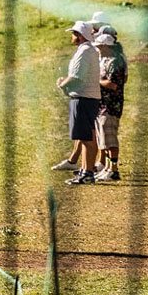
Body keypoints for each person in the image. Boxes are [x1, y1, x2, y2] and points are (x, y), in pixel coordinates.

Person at [56, 20, 103, 184]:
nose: (72, 36)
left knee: (86, 138)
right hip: (87, 97)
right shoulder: (88, 50)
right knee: (85, 137)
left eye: (74, 33)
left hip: (84, 98)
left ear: (79, 35)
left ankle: (88, 173)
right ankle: (84, 170)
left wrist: (63, 83)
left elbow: (77, 76)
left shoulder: (84, 51)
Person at [95, 31, 128, 181]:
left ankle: (114, 170)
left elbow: (112, 84)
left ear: (106, 46)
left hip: (111, 105)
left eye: (100, 46)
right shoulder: (107, 60)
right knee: (105, 140)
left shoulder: (115, 62)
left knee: (110, 139)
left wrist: (95, 82)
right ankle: (108, 168)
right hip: (104, 104)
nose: (98, 49)